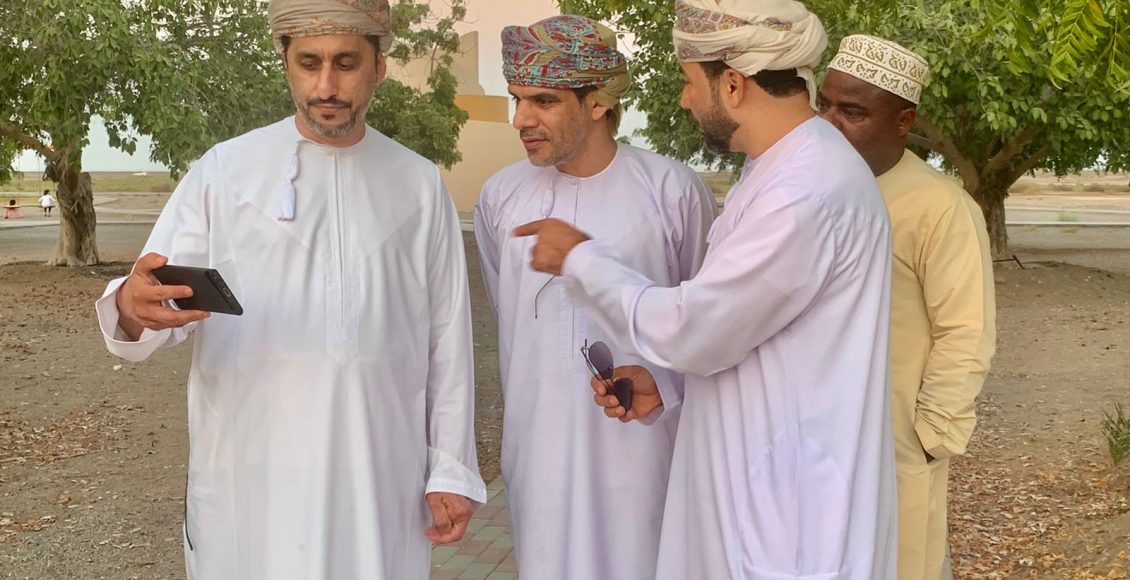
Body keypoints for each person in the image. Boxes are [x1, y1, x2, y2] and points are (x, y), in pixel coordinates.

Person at [93, 1, 485, 578]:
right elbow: (155, 301)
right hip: (249, 478)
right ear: (286, 64)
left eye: (345, 63)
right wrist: (131, 306)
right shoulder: (224, 171)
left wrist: (450, 468)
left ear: (379, 66)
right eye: (308, 63)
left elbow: (447, 338)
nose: (325, 85)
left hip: (379, 477)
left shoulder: (419, 183)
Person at [513, 0, 899, 578]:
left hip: (791, 513)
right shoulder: (777, 168)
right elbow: (742, 327)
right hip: (757, 488)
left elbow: (694, 327)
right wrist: (666, 384)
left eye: (690, 82)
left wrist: (580, 258)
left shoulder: (807, 189)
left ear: (734, 85)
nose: (684, 99)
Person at [474, 15, 716, 580]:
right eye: (516, 99)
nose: (521, 120)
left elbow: (705, 332)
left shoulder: (672, 192)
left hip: (644, 456)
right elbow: (509, 317)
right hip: (537, 455)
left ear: (597, 102)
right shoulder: (500, 196)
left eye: (543, 101)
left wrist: (667, 388)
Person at [818, 35, 996, 580]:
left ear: (903, 120)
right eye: (824, 104)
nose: (829, 123)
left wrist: (928, 438)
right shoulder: (810, 190)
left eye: (852, 112)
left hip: (893, 439)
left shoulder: (940, 207)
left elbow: (966, 332)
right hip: (814, 431)